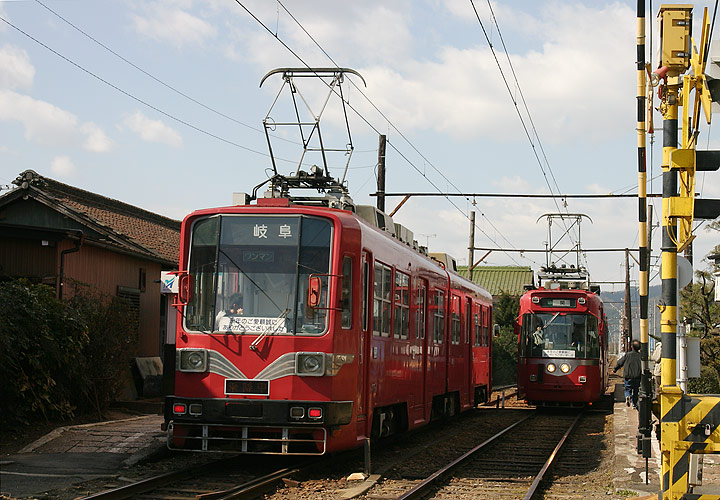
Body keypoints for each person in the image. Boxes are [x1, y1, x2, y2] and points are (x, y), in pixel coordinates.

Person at [614, 339, 642, 409]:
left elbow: (620, 362)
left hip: (628, 376)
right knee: (636, 391)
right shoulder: (640, 356)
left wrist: (615, 369)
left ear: (631, 347)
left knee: (627, 389)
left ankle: (627, 396)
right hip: (637, 376)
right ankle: (634, 404)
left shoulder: (628, 355)